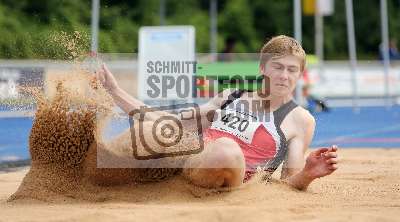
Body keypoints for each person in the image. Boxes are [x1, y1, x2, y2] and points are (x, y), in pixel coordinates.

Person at [95, 35, 338, 190]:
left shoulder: (300, 120)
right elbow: (173, 122)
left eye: (292, 70)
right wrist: (116, 92)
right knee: (146, 131)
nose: (284, 76)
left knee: (226, 149)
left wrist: (307, 175)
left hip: (233, 180)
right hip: (193, 163)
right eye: (277, 67)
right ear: (263, 67)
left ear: (300, 74)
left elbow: (287, 184)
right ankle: (91, 172)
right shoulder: (231, 96)